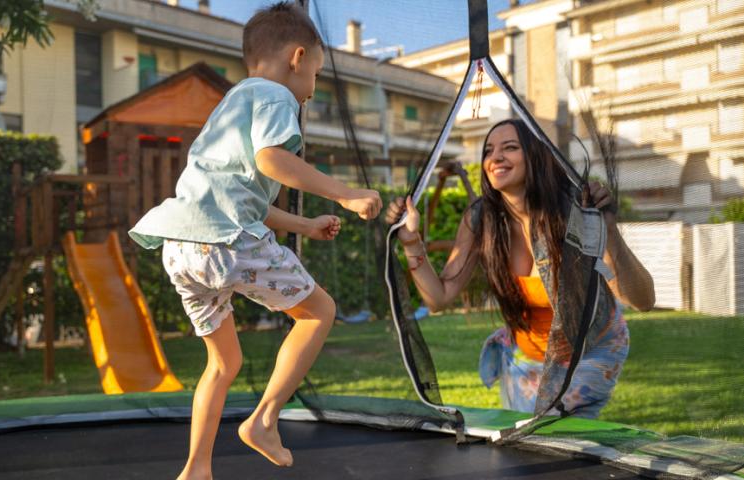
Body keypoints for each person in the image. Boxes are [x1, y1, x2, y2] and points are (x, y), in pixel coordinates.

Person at [128, 3, 382, 479]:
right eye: (315, 75)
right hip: (224, 244)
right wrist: (347, 194)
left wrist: (304, 226)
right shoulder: (275, 96)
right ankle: (264, 421)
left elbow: (244, 201)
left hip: (182, 245)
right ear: (297, 57)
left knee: (224, 363)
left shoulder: (231, 106)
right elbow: (271, 161)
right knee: (319, 312)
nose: (311, 91)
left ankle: (196, 470)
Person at [385, 118, 654, 418]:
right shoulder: (481, 219)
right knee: (525, 449)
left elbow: (642, 300)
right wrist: (410, 242)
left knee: (556, 438)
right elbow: (438, 297)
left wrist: (608, 230)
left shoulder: (573, 212)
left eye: (510, 148)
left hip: (590, 353)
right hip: (524, 361)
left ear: (534, 158)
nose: (495, 157)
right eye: (488, 151)